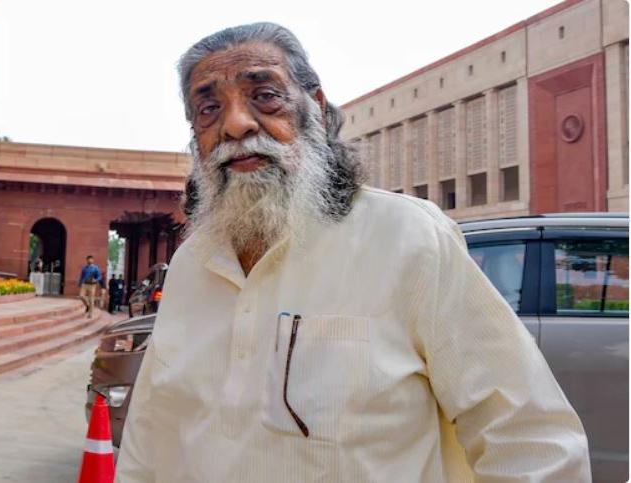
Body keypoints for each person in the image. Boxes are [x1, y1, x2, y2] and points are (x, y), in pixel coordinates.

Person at [115, 23, 590, 482]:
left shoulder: (408, 237)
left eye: (265, 96)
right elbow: (150, 437)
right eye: (209, 109)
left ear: (317, 109)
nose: (236, 124)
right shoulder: (191, 264)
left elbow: (530, 441)